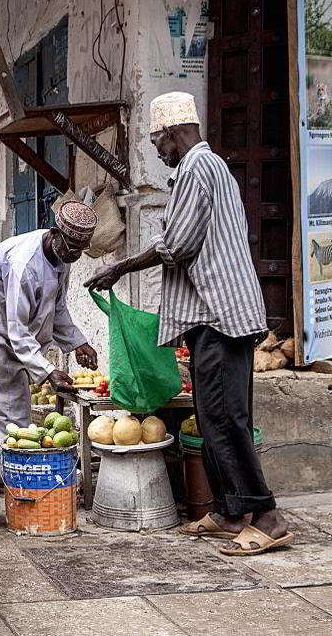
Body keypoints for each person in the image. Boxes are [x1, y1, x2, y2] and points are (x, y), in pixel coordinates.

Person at [85, 91, 291, 556]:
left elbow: (175, 243)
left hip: (220, 315)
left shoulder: (198, 167)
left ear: (175, 133)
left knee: (226, 418)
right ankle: (228, 511)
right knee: (213, 418)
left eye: (158, 142)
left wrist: (119, 267)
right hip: (210, 317)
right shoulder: (207, 168)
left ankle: (268, 517)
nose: (158, 151)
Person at [0, 202, 99, 432]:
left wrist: (78, 343)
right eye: (72, 247)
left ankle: (6, 449)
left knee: (13, 391)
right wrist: (48, 371)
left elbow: (56, 306)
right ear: (54, 235)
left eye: (81, 250)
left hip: (0, 313)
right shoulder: (25, 265)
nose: (75, 255)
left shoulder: (63, 256)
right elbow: (18, 331)